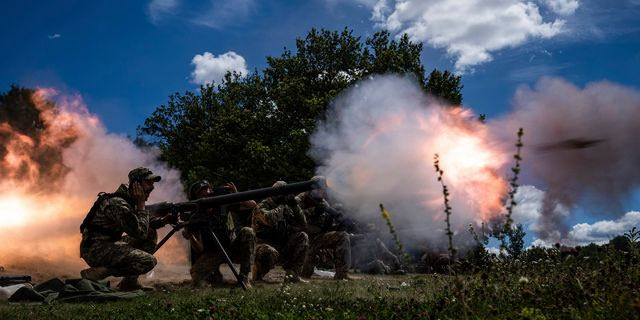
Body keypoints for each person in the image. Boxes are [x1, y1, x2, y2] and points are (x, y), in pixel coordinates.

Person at [79, 167, 170, 291]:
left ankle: (129, 283)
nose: (152, 187)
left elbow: (142, 225)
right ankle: (102, 271)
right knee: (148, 261)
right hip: (95, 249)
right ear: (136, 184)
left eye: (152, 184)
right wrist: (141, 205)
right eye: (148, 183)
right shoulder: (118, 203)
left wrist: (163, 221)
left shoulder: (128, 201)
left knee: (150, 232)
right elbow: (140, 233)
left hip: (107, 243)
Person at [184, 180, 256, 288]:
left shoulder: (223, 204)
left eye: (207, 190)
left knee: (247, 232)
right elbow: (198, 249)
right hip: (212, 253)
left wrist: (236, 194)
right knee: (197, 278)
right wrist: (191, 235)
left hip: (232, 248)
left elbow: (252, 205)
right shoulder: (195, 217)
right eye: (201, 192)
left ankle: (244, 277)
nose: (206, 194)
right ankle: (215, 275)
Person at [296, 177, 352, 280]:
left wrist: (340, 221)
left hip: (318, 238)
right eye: (319, 188)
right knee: (304, 274)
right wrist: (313, 211)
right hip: (302, 239)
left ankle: (342, 274)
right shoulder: (300, 199)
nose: (322, 191)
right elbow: (293, 216)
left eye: (323, 189)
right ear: (312, 188)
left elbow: (327, 222)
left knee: (343, 236)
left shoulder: (322, 202)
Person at [253, 181, 309, 283]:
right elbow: (268, 219)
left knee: (302, 236)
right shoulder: (263, 205)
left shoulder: (287, 206)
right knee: (268, 251)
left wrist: (295, 206)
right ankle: (258, 275)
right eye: (284, 193)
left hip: (281, 245)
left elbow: (303, 225)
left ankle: (293, 275)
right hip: (263, 245)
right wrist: (282, 205)